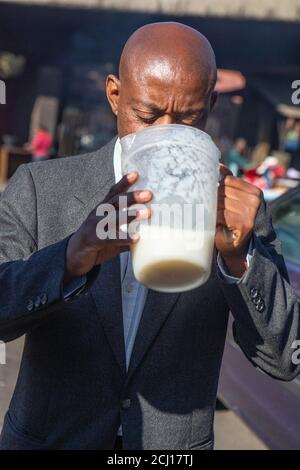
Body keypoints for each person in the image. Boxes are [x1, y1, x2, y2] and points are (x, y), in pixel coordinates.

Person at [0, 22, 299, 450]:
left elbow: (284, 358)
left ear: (212, 103)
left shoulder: (234, 208)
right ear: (115, 95)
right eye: (146, 116)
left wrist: (240, 262)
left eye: (188, 117)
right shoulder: (39, 188)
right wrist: (71, 257)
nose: (165, 133)